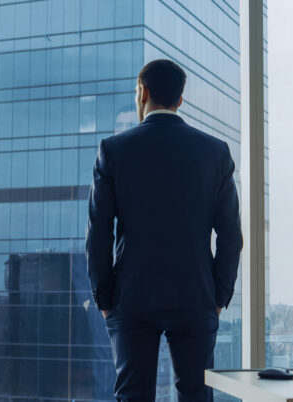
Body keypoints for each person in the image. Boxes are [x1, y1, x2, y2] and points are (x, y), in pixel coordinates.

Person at [85, 59, 243, 401]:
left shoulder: (113, 150)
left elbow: (99, 232)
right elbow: (231, 235)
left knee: (133, 395)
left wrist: (105, 298)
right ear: (179, 100)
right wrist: (218, 296)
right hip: (196, 294)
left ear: (143, 92)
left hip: (131, 296)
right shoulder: (215, 152)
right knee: (196, 395)